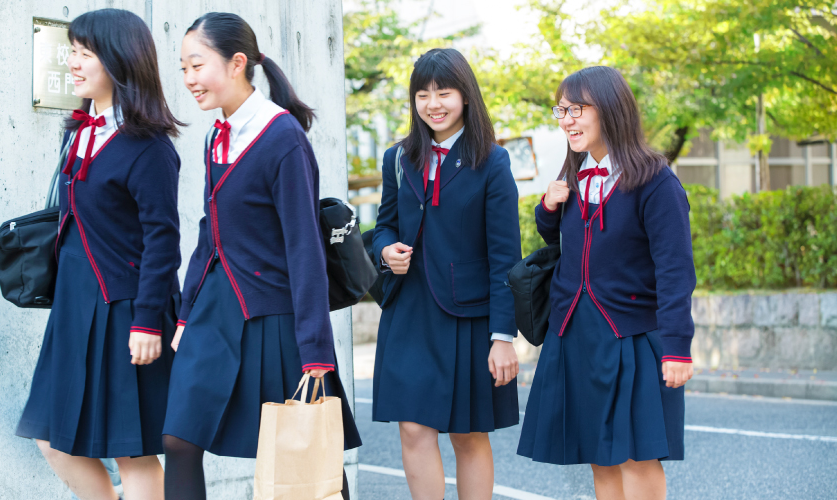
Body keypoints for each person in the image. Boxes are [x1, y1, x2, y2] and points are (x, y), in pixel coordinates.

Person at [161, 12, 361, 500]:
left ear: (236, 64)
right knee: (179, 439)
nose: (188, 79)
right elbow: (210, 233)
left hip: (276, 316)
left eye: (196, 65)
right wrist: (185, 313)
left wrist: (316, 350)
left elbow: (305, 246)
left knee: (306, 451)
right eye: (183, 68)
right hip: (214, 312)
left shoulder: (283, 137)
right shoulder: (216, 136)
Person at [15, 9, 183, 500]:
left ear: (118, 60)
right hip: (73, 308)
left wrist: (149, 322)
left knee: (132, 450)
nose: (74, 63)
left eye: (85, 53)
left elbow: (163, 241)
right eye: (72, 51)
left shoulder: (148, 146)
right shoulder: (80, 131)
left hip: (126, 310)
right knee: (53, 439)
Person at [516, 66, 696, 500]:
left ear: (611, 110)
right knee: (600, 452)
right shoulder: (575, 177)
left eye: (576, 109)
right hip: (576, 334)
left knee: (637, 455)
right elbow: (570, 244)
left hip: (630, 334)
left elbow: (675, 268)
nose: (566, 120)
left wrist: (677, 346)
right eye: (562, 110)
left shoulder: (656, 180)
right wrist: (547, 208)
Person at [370, 48, 522, 500]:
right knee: (414, 429)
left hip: (468, 317)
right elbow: (384, 225)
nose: (433, 103)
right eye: (423, 94)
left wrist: (503, 336)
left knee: (469, 433)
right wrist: (385, 251)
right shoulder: (398, 158)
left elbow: (505, 255)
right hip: (409, 310)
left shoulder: (493, 162)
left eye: (444, 92)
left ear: (466, 97)